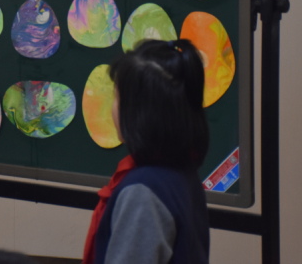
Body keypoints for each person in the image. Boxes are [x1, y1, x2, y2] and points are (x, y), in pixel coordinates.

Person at [83, 39, 210, 264]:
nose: (112, 108)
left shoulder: (143, 191)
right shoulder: (180, 172)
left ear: (139, 111)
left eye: (117, 97)